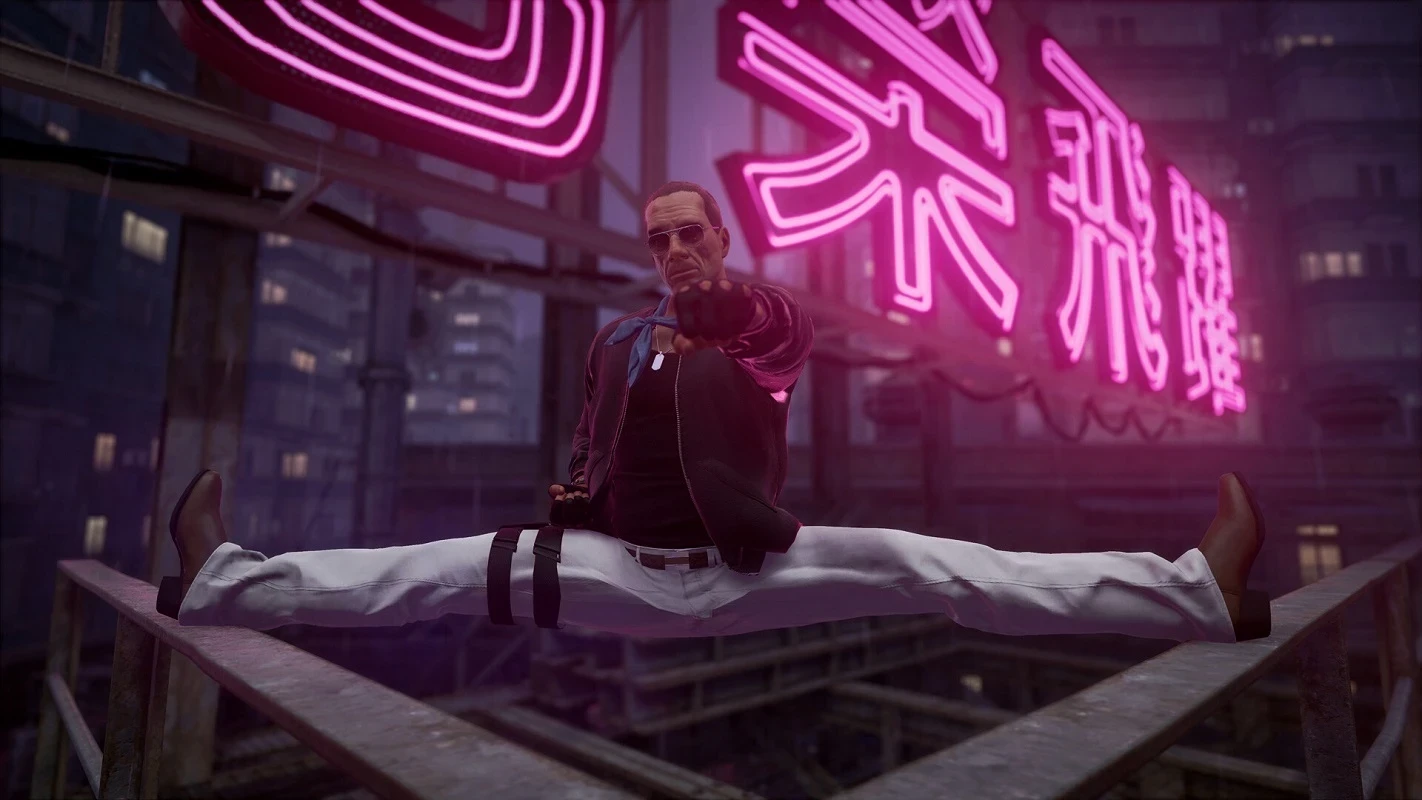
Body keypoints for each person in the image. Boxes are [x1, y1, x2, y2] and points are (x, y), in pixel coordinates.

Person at [161, 181, 1270, 644]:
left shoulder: (759, 329)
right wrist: (576, 496)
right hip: (621, 572)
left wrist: (726, 311)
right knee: (431, 566)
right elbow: (590, 450)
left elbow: (781, 332)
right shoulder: (614, 343)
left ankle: (1197, 593)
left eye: (692, 232)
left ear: (721, 238)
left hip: (753, 567)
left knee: (938, 563)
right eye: (661, 239)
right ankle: (219, 581)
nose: (677, 249)